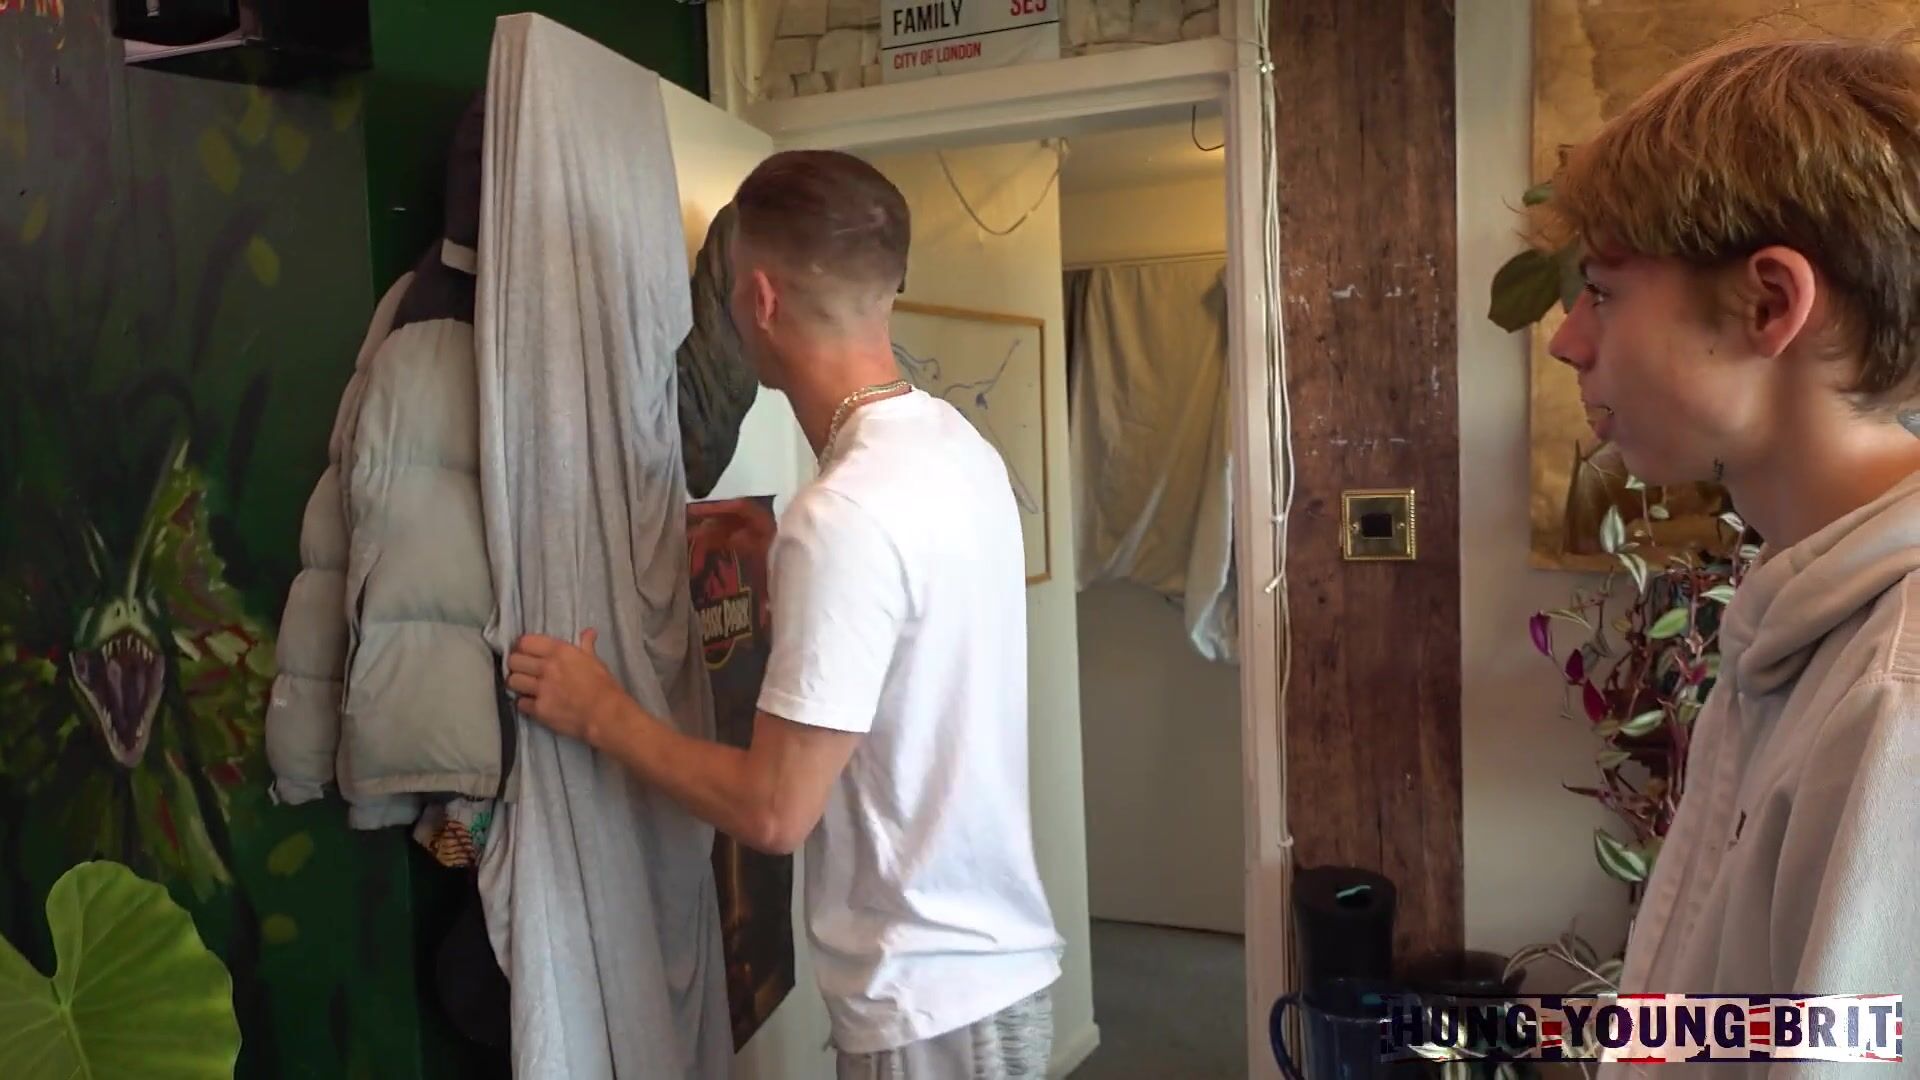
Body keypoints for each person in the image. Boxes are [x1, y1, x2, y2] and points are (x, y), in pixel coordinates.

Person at [506, 149, 1064, 1078]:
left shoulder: (840, 516)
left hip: (928, 1009)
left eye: (730, 292)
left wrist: (600, 711)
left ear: (759, 301)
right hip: (988, 980)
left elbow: (773, 811)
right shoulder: (961, 449)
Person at [1543, 31, 1920, 1062]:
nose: (1568, 339)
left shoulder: (1896, 699)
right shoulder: (1802, 608)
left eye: (1604, 290)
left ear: (1769, 304)